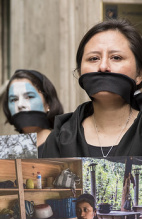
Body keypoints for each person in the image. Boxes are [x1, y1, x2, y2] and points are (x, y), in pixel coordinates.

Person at [42, 18, 142, 158]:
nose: (103, 67)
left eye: (116, 57)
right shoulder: (59, 137)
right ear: (79, 72)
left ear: (139, 74)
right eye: (94, 58)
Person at [3, 69, 63, 156]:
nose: (20, 105)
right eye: (14, 99)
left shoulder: (65, 145)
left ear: (48, 103)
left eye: (29, 97)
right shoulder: (7, 151)